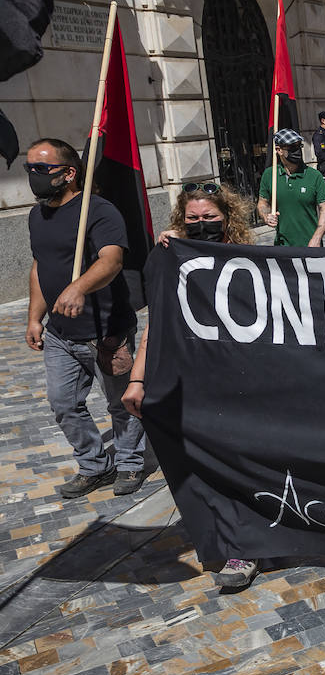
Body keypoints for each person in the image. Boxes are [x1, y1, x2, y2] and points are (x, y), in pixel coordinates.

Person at [122, 183, 263, 588]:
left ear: (227, 217)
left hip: (243, 382)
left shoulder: (250, 259)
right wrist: (137, 378)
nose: (202, 224)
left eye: (210, 217)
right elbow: (157, 322)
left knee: (243, 462)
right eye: (193, 219)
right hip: (192, 383)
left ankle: (252, 539)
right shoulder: (172, 258)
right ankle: (237, 543)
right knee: (206, 465)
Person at [25, 137, 146, 498]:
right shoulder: (37, 215)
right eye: (29, 168)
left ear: (69, 173)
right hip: (60, 333)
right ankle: (94, 465)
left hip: (106, 330)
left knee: (121, 404)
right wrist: (34, 317)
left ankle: (130, 462)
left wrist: (79, 287)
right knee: (63, 404)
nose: (33, 175)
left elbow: (112, 260)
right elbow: (39, 267)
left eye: (41, 168)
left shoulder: (99, 211)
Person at [257, 129, 325, 247]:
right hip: (283, 247)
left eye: (299, 146)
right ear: (279, 150)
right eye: (292, 147)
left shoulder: (314, 176)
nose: (297, 151)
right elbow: (262, 203)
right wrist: (266, 216)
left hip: (311, 246)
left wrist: (317, 238)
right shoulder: (269, 175)